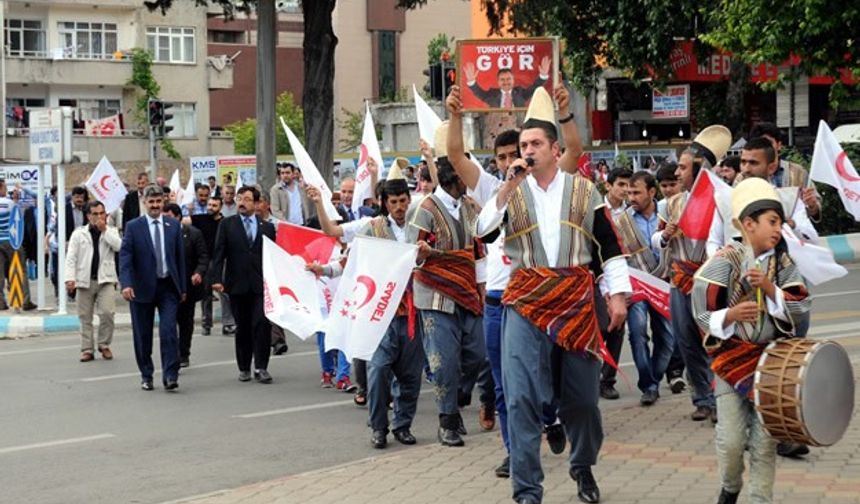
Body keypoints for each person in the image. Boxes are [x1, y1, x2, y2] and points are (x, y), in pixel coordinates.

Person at [476, 86, 630, 504]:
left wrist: (617, 296)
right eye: (520, 146)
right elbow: (484, 231)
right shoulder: (510, 191)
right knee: (522, 395)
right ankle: (527, 491)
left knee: (581, 400)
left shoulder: (584, 190)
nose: (524, 152)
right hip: (524, 300)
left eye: (534, 144)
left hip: (576, 300)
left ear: (555, 149)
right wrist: (507, 187)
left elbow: (609, 246)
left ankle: (582, 466)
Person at [445, 79, 583, 477]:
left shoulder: (550, 185)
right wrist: (455, 114)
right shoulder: (494, 187)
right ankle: (515, 452)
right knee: (505, 385)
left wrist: (566, 113)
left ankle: (550, 415)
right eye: (505, 156)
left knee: (546, 379)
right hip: (498, 302)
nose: (513, 160)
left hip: (540, 299)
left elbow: (574, 150)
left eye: (520, 151)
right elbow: (454, 154)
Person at [692, 177, 810, 504]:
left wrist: (771, 289)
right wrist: (729, 317)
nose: (777, 229)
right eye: (772, 222)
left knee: (765, 441)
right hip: (730, 362)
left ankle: (760, 498)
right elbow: (701, 309)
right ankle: (730, 486)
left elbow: (801, 305)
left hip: (771, 364)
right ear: (748, 224)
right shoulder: (724, 260)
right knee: (730, 441)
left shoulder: (782, 263)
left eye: (780, 223)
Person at [309, 168, 430, 448]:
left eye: (403, 201)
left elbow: (432, 262)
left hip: (412, 314)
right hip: (380, 316)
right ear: (384, 203)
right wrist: (323, 270)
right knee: (378, 372)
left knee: (411, 377)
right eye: (394, 202)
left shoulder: (421, 228)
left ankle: (403, 424)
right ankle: (378, 427)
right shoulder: (371, 228)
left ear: (409, 199)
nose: (399, 207)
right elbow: (347, 259)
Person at [406, 120, 487, 448]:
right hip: (434, 295)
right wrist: (422, 254)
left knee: (479, 355)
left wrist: (482, 288)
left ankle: (459, 397)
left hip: (469, 291)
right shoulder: (422, 209)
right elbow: (411, 254)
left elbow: (481, 250)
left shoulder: (472, 207)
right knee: (443, 361)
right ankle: (447, 421)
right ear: (453, 176)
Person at [653, 125, 732, 422]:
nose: (678, 174)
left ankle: (723, 398)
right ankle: (703, 399)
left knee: (715, 340)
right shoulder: (672, 203)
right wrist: (664, 236)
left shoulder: (724, 199)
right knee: (686, 341)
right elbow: (655, 240)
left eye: (684, 168)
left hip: (712, 280)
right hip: (680, 279)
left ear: (700, 167)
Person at [119, 184, 186, 391]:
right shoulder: (133, 226)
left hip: (167, 287)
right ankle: (146, 375)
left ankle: (170, 375)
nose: (155, 205)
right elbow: (126, 257)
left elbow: (179, 259)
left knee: (168, 332)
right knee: (143, 335)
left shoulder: (173, 226)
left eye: (158, 202)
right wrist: (127, 284)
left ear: (163, 203)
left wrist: (182, 287)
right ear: (145, 203)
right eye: (151, 202)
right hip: (141, 288)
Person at [209, 186, 277, 383]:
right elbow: (219, 253)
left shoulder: (267, 227)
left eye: (247, 199)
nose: (241, 202)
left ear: (256, 204)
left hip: (260, 284)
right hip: (237, 284)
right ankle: (244, 367)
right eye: (240, 198)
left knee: (262, 324)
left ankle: (262, 367)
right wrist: (216, 279)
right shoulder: (227, 225)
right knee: (244, 326)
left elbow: (273, 257)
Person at [617, 171, 674, 405]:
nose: (631, 197)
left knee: (669, 340)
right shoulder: (622, 221)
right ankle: (648, 386)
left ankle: (655, 377)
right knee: (638, 333)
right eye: (629, 192)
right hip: (637, 286)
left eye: (636, 192)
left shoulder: (669, 216)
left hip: (664, 283)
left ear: (652, 192)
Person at [65, 201, 121, 362]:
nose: (99, 217)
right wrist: (70, 278)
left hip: (106, 279)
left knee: (107, 313)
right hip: (84, 280)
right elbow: (71, 258)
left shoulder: (111, 231)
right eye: (95, 214)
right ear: (88, 216)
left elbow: (119, 247)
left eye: (101, 213)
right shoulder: (78, 233)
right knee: (85, 316)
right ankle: (87, 349)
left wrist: (105, 231)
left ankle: (104, 344)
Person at [598, 167, 632, 400]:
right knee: (599, 329)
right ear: (608, 186)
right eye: (620, 184)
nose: (625, 190)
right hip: (597, 281)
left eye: (628, 186)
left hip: (625, 279)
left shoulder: (631, 214)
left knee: (618, 328)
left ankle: (607, 379)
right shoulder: (596, 211)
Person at [654, 160, 687, 393]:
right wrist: (664, 236)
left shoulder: (694, 201)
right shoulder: (665, 207)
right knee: (675, 326)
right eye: (663, 185)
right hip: (674, 272)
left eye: (671, 184)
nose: (668, 189)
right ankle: (674, 371)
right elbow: (656, 240)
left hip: (701, 272)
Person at [163, 204, 208, 368]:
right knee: (168, 322)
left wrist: (198, 273)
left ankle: (184, 353)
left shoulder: (193, 234)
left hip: (188, 286)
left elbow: (203, 257)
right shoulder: (161, 234)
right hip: (168, 286)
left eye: (168, 216)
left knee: (186, 322)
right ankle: (171, 354)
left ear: (178, 217)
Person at [748, 122, 820, 220]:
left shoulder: (798, 172)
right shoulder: (745, 176)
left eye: (769, 143)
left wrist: (812, 206)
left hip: (794, 233)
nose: (765, 148)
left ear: (779, 145)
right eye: (760, 144)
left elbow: (815, 210)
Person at [194, 196, 235, 336]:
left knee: (224, 292)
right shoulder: (201, 219)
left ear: (220, 207)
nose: (211, 208)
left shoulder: (226, 223)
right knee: (206, 293)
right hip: (205, 261)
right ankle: (206, 324)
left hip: (221, 260)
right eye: (210, 205)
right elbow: (183, 220)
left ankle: (228, 323)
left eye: (214, 205)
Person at [463, 56, 550, 109]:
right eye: (502, 80)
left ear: (513, 80)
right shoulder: (492, 94)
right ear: (498, 82)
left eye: (508, 79)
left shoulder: (520, 92)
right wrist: (472, 81)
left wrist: (542, 76)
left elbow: (534, 88)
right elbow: (479, 93)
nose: (506, 82)